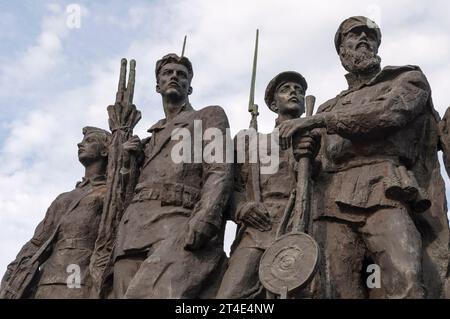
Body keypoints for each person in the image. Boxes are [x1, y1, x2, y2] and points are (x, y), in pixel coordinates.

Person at [279, 16, 449, 298]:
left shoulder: (406, 80)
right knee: (335, 289)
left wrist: (320, 121)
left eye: (369, 36)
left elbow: (390, 114)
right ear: (342, 52)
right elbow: (321, 164)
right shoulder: (329, 104)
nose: (362, 40)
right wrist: (307, 154)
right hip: (331, 203)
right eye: (353, 35)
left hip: (385, 188)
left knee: (405, 279)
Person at [113, 53, 232, 298]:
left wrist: (207, 215)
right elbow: (124, 192)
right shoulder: (148, 139)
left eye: (182, 74)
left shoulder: (208, 116)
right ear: (158, 85)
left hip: (178, 220)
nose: (175, 77)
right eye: (168, 73)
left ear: (190, 85)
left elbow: (219, 169)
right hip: (133, 229)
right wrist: (127, 163)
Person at [217, 71, 319, 298]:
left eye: (299, 90)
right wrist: (242, 208)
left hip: (301, 225)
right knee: (230, 295)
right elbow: (229, 186)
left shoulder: (315, 137)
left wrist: (313, 157)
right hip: (258, 228)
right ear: (273, 104)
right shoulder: (250, 141)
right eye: (286, 89)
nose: (294, 92)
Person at [0, 126, 111, 298]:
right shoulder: (63, 198)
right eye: (82, 141)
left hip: (79, 278)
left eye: (89, 141)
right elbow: (38, 242)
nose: (80, 144)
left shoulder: (109, 193)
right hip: (46, 279)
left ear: (105, 151)